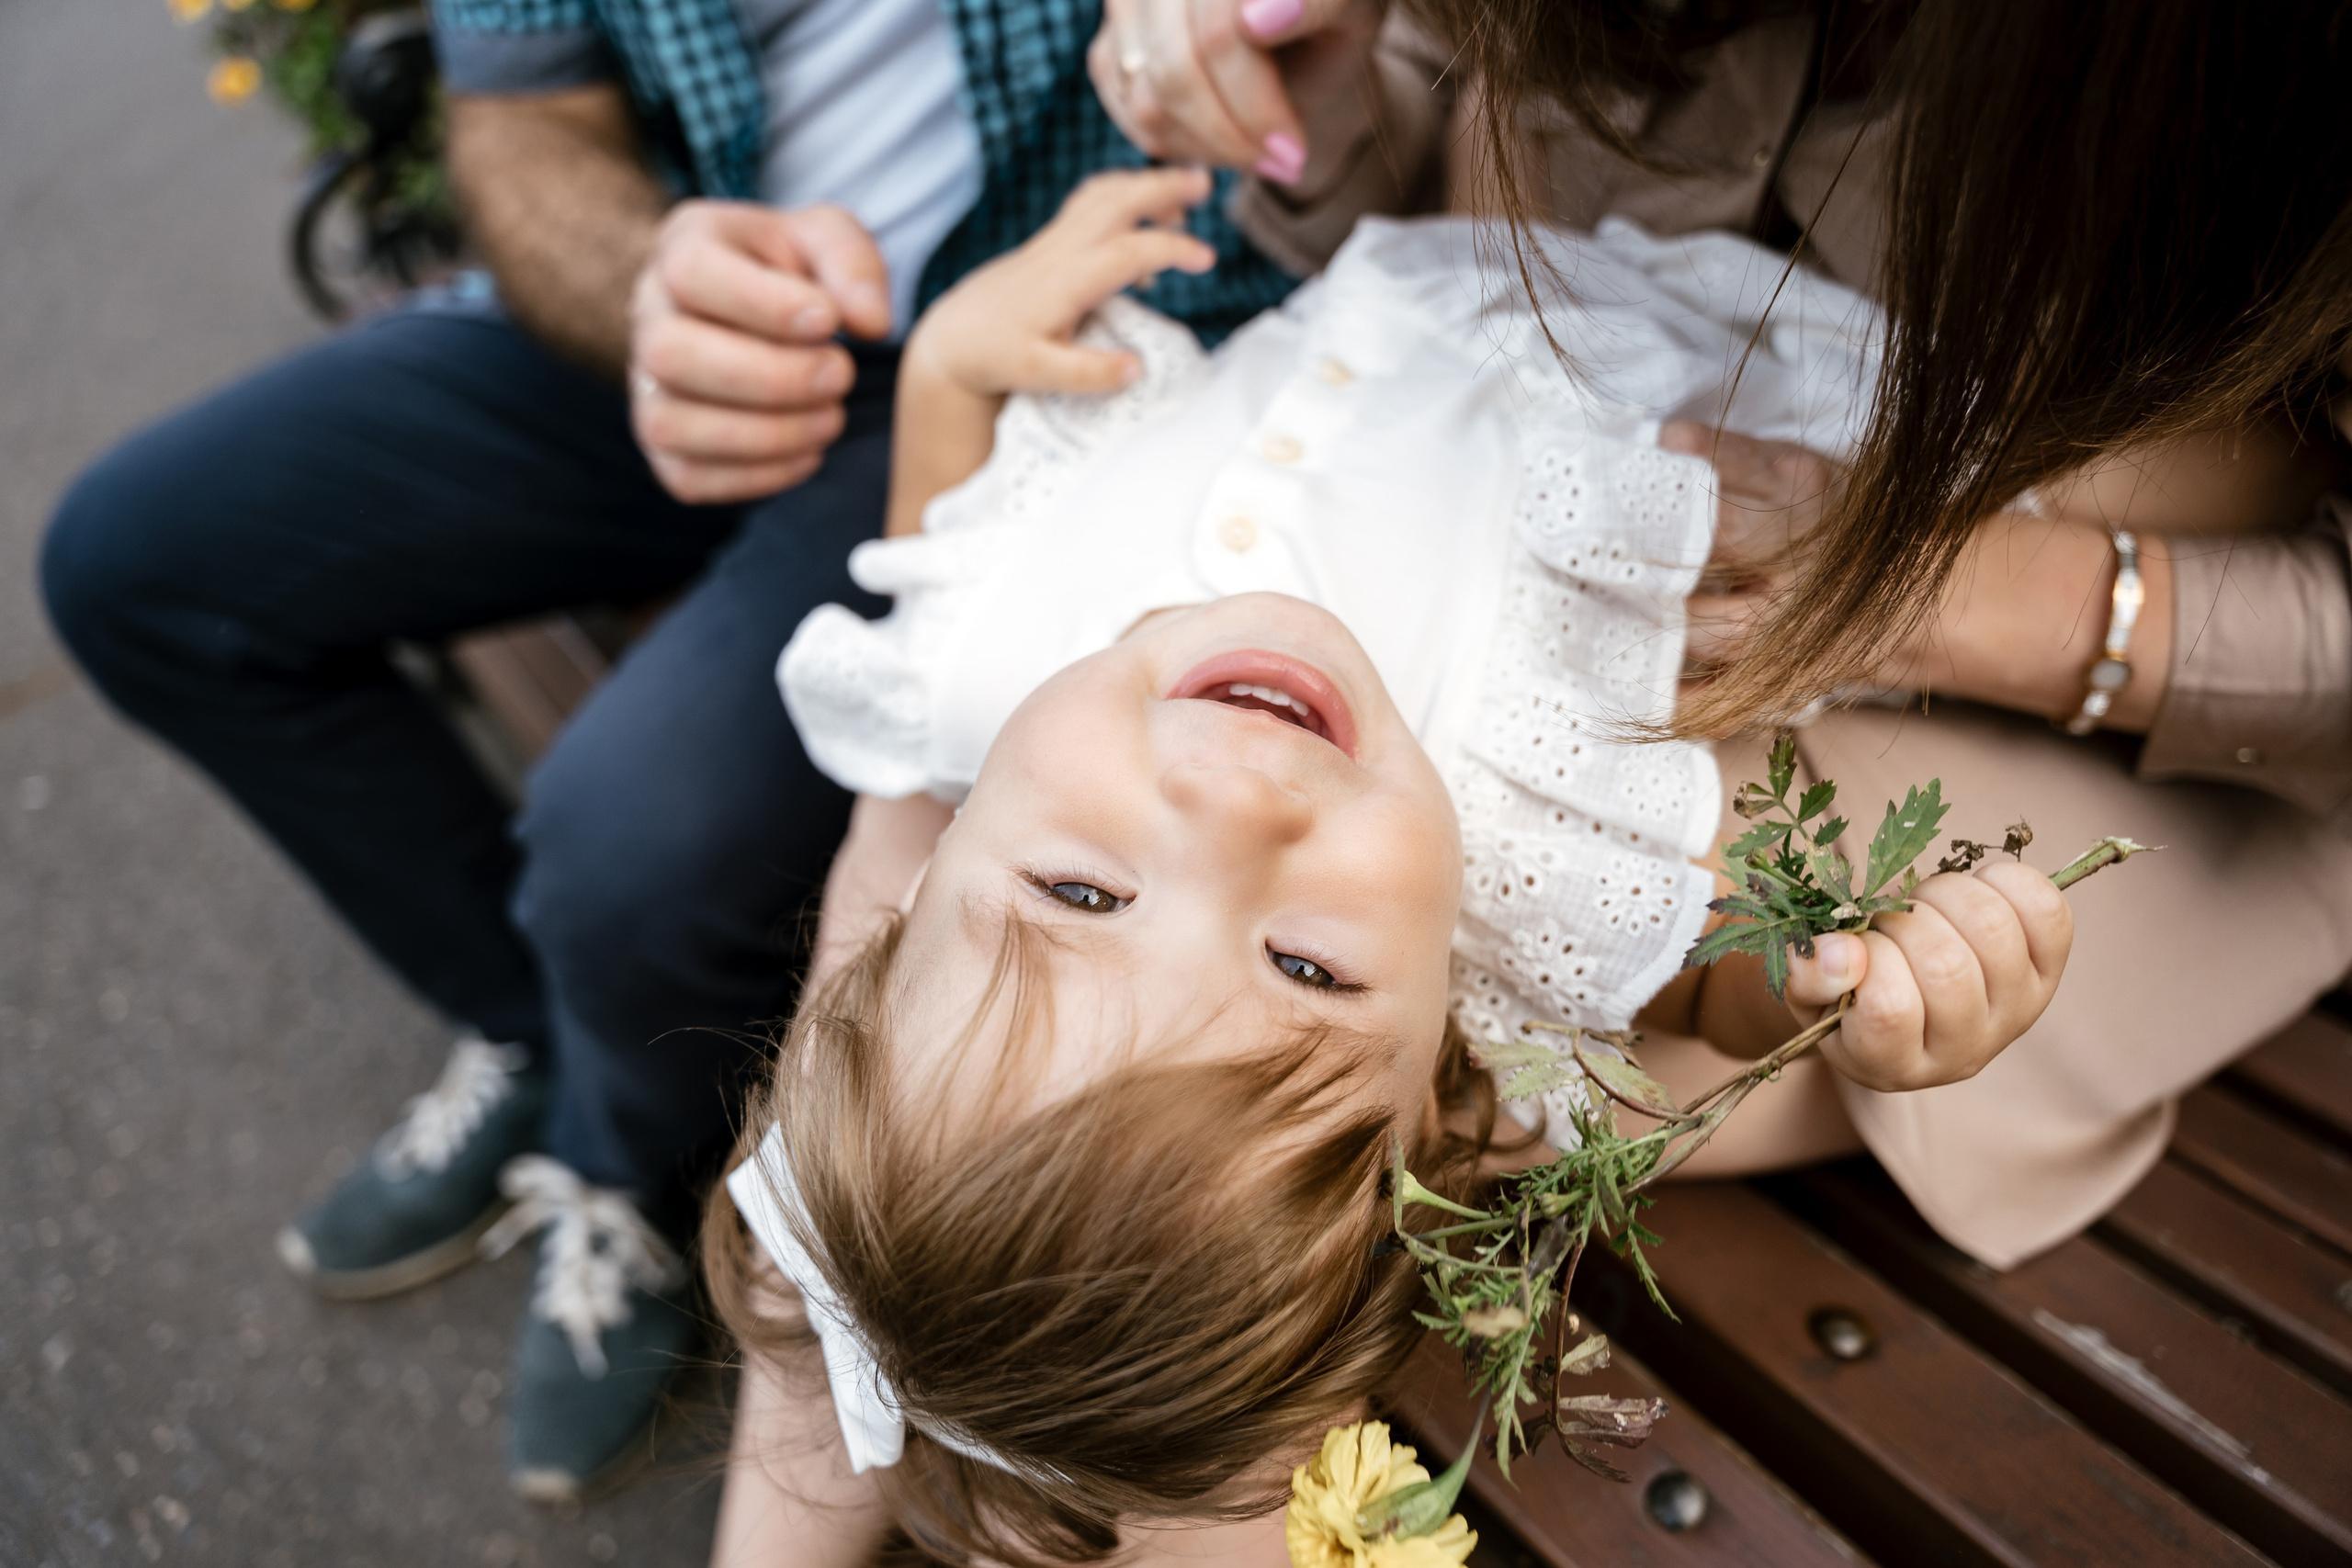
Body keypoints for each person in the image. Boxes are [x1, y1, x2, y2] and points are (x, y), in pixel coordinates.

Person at [695, 165, 2074, 1568]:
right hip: (1762, 303)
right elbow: (1727, 992)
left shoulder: (981, 686)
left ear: (917, 890)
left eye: (1082, 894)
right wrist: (1855, 992)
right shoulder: (1525, 842)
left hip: (1463, 208)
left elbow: (941, 555)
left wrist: (949, 367)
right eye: (1306, 965)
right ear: (1442, 1087)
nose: (1236, 807)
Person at [37, 0, 1301, 1501]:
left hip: (1045, 371)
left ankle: (617, 1155)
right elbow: (521, 118)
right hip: (682, 301)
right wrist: (650, 285)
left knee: (632, 848)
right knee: (136, 565)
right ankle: (545, 1038)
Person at [1092, 0, 2352, 1269]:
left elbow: (1755, 988)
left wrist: (1944, 591)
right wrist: (1332, 116)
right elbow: (1474, 231)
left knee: (1480, 944)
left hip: (2178, 720)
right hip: (1612, 597)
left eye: (1084, 895)